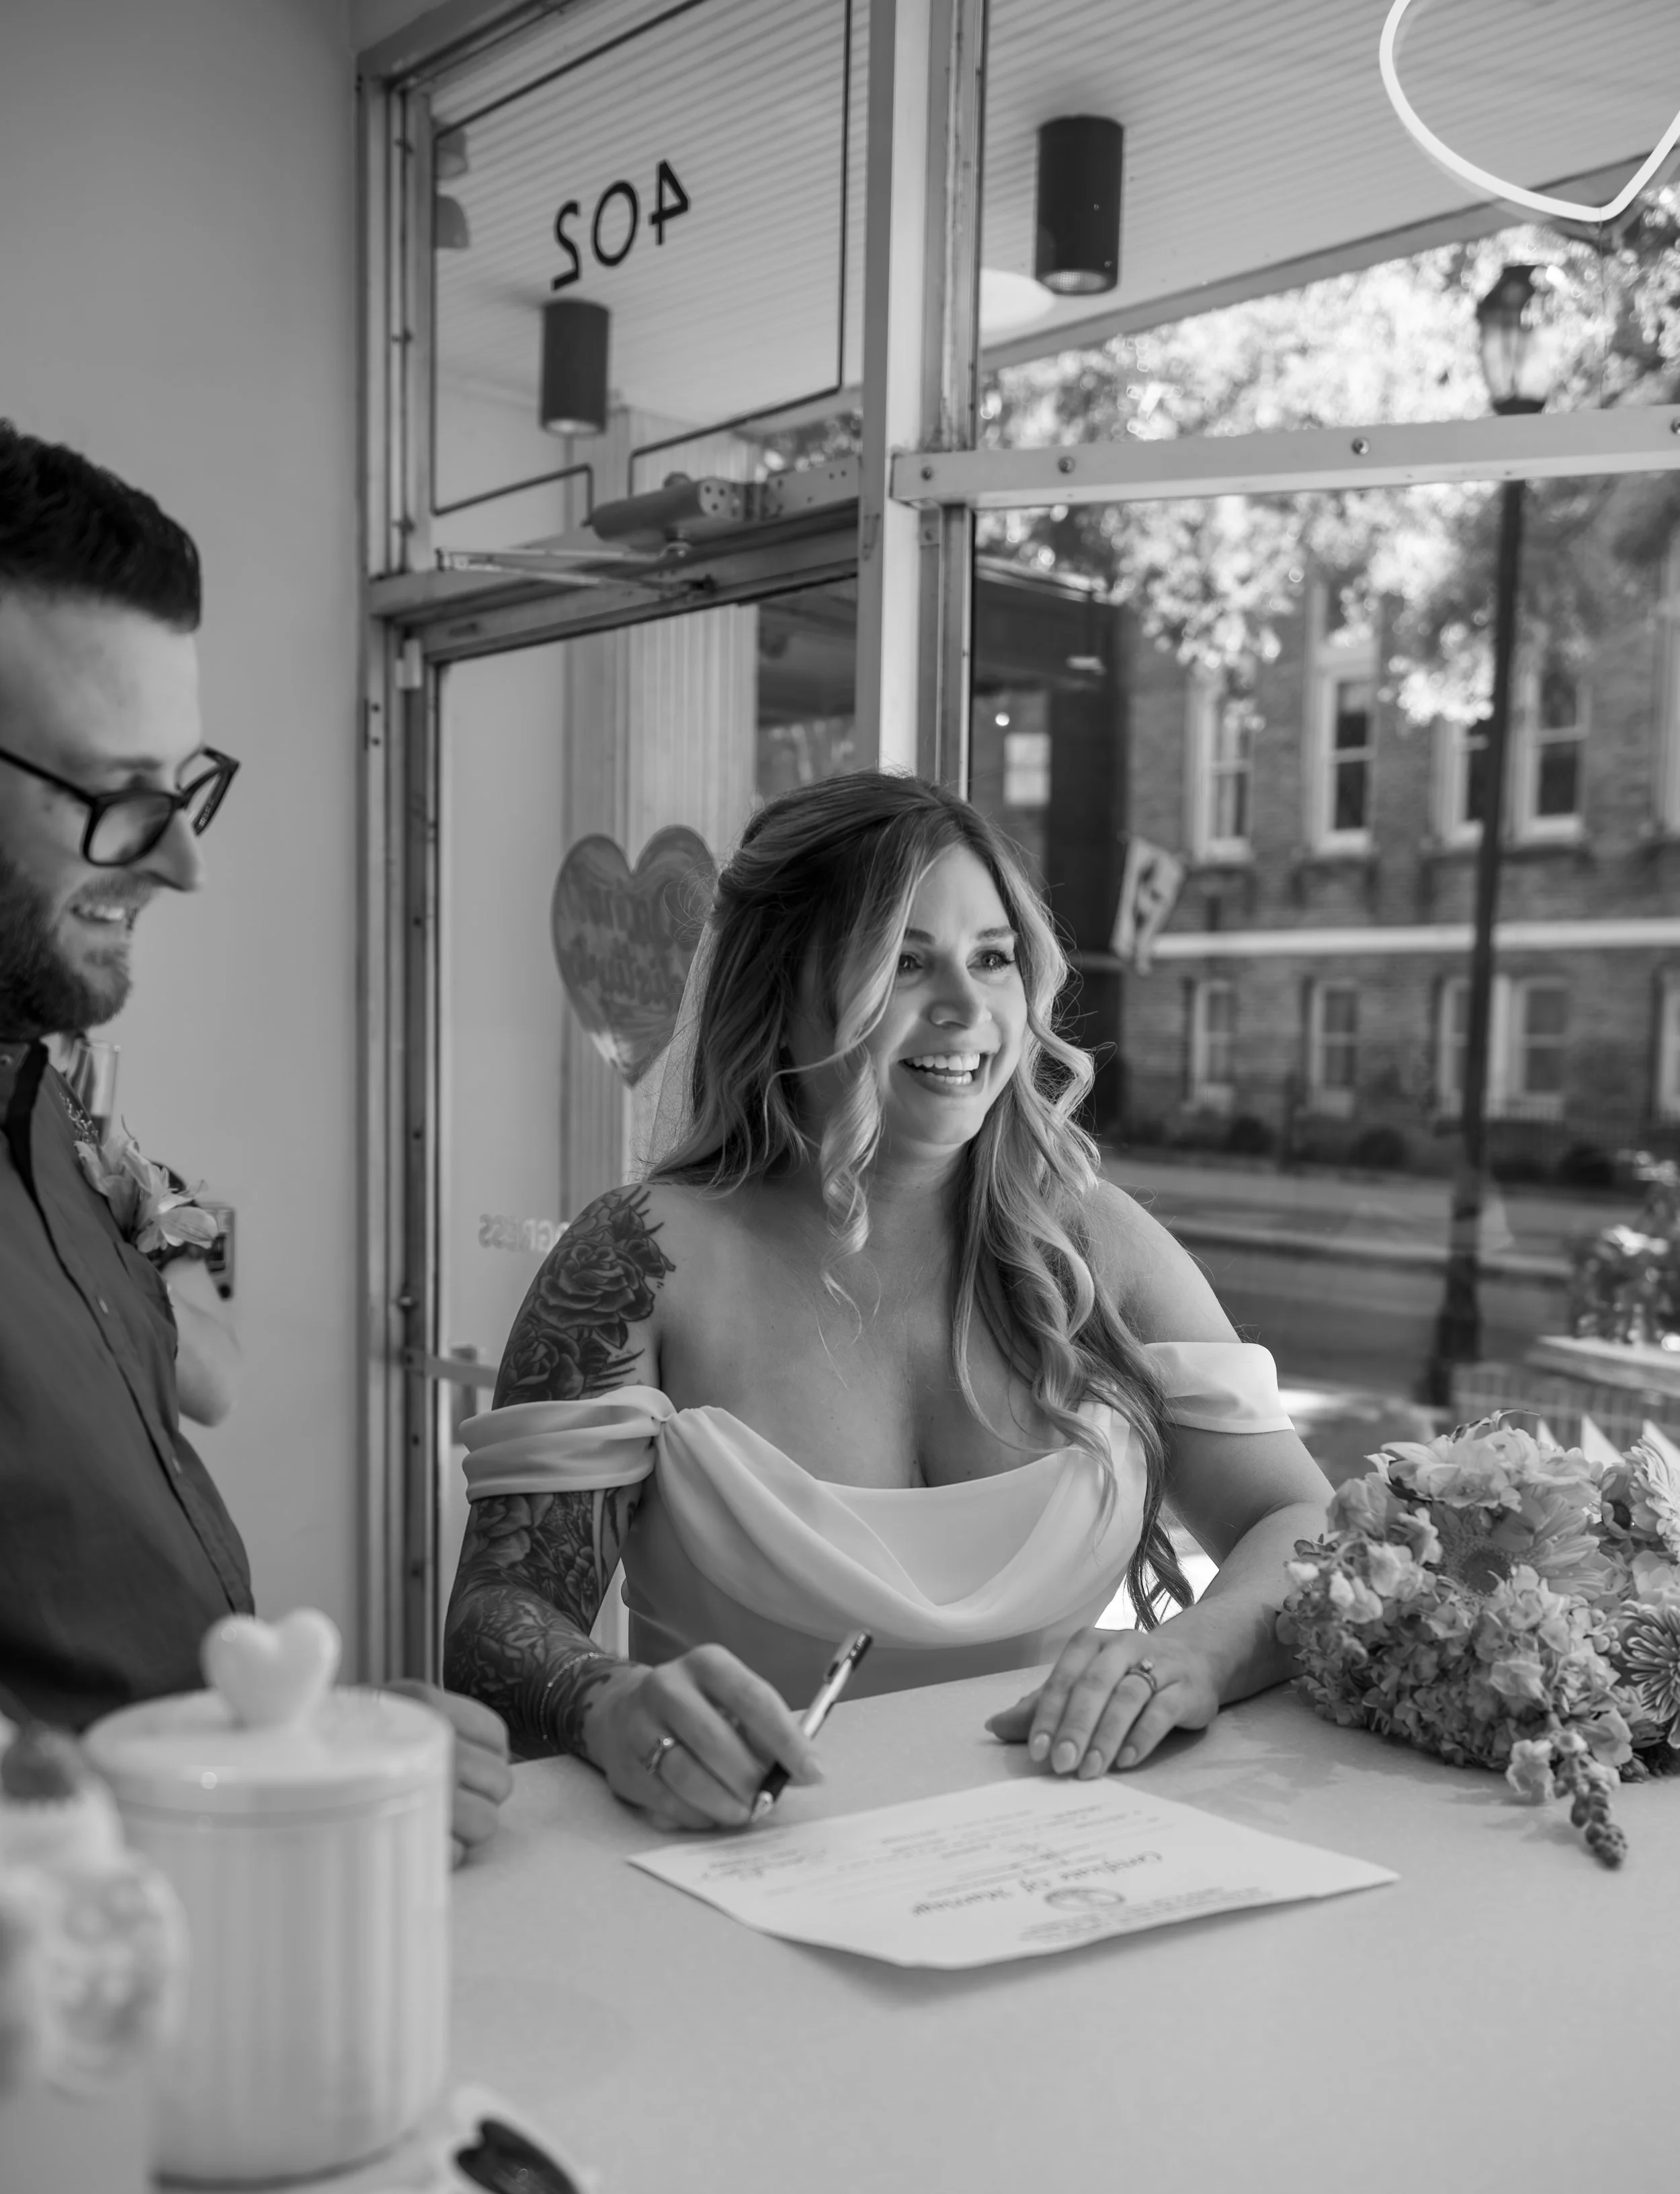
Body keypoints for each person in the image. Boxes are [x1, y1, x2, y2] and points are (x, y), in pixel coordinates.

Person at [445, 771, 1334, 1832]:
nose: (966, 1007)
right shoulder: (637, 1259)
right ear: (782, 991)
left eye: (993, 958)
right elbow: (499, 1620)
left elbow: (1302, 1519)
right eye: (905, 961)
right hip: (729, 1870)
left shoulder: (1100, 1245)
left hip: (1064, 1869)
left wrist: (1193, 1652)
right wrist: (609, 1703)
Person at [0, 421, 512, 1858]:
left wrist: (305, 1746)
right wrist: (277, 1792)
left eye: (182, 786)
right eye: (115, 796)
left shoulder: (45, 1119)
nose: (182, 859)